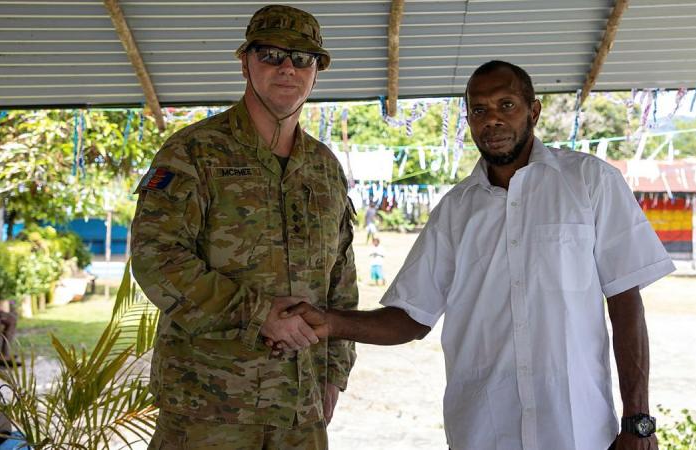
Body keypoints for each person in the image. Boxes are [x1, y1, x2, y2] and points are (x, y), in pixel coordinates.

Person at [277, 61, 675, 450]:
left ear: (533, 111)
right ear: (468, 120)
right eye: (479, 110)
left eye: (507, 105)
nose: (492, 120)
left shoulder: (590, 182)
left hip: (577, 429)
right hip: (483, 430)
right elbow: (410, 319)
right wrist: (329, 323)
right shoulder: (455, 211)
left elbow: (625, 304)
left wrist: (637, 419)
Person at [130, 5, 358, 449]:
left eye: (302, 58)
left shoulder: (325, 167)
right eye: (271, 54)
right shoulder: (194, 152)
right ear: (245, 62)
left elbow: (341, 277)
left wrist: (335, 372)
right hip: (208, 409)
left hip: (300, 409)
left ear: (317, 71)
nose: (287, 68)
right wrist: (259, 314)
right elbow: (156, 259)